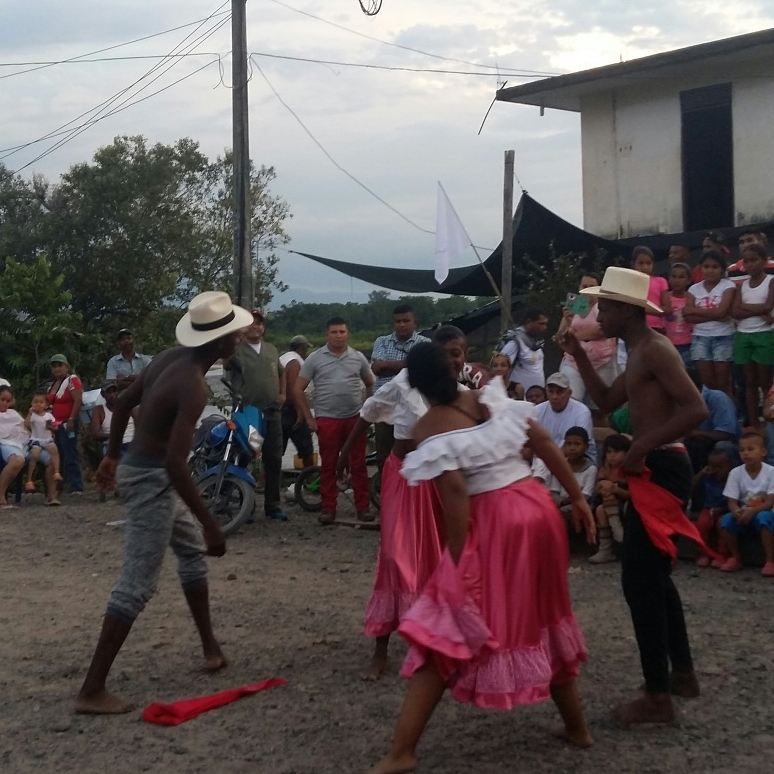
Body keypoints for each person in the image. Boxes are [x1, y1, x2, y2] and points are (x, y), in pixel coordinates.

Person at [368, 344, 595, 774]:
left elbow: (455, 493)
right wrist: (578, 497)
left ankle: (402, 752)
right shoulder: (488, 398)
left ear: (414, 384)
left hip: (496, 520)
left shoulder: (429, 426)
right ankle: (578, 729)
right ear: (453, 369)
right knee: (545, 615)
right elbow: (542, 440)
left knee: (443, 628)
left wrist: (457, 563)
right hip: (537, 509)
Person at [75, 291, 251, 715]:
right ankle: (91, 690)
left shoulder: (169, 358)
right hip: (153, 480)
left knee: (190, 554)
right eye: (235, 333)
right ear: (220, 341)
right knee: (137, 584)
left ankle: (210, 648)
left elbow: (122, 405)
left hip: (146, 471)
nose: (240, 337)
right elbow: (174, 463)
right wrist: (211, 523)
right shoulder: (192, 386)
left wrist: (113, 456)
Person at [559, 265, 709, 726]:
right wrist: (577, 354)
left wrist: (641, 447)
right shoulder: (640, 350)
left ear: (626, 310)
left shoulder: (656, 350)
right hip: (657, 465)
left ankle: (658, 695)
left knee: (640, 580)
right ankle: (680, 675)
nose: (598, 314)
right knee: (654, 577)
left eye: (604, 306)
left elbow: (696, 409)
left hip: (661, 465)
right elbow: (607, 400)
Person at [336, 353, 443, 681]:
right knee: (395, 557)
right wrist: (344, 453)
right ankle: (381, 649)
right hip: (402, 475)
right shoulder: (401, 384)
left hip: (434, 476)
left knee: (432, 557)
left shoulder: (451, 389)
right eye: (450, 354)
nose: (455, 361)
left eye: (458, 354)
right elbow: (368, 413)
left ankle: (426, 642)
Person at [295, 317, 374, 525]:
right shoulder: (315, 358)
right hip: (327, 419)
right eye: (334, 332)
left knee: (358, 465)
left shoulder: (358, 357)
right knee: (328, 465)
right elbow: (297, 389)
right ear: (326, 334)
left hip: (354, 419)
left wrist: (368, 412)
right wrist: (309, 417)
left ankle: (363, 508)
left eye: (342, 332)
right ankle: (328, 508)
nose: (338, 336)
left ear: (348, 334)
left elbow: (370, 383)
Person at [224, 308, 286, 521]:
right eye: (250, 323)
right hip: (249, 415)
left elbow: (282, 373)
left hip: (272, 412)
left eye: (259, 323)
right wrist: (234, 337)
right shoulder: (237, 350)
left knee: (274, 458)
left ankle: (273, 506)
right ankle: (245, 506)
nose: (255, 326)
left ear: (263, 327)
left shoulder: (271, 349)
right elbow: (225, 363)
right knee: (247, 455)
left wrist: (283, 394)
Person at [370, 305, 430, 468]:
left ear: (415, 323)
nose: (402, 324)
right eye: (398, 321)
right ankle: (385, 482)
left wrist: (387, 365)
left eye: (406, 320)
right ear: (393, 324)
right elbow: (377, 368)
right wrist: (410, 364)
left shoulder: (425, 343)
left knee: (414, 453)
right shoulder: (382, 341)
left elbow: (423, 370)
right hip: (384, 408)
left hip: (415, 409)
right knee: (384, 454)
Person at [557, 273, 618, 417]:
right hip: (574, 362)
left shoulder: (604, 306)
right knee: (572, 401)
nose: (588, 289)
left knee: (599, 407)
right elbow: (560, 335)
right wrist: (567, 320)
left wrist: (575, 336)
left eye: (592, 286)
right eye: (584, 286)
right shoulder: (576, 305)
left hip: (602, 363)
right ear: (579, 287)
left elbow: (602, 331)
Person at [718, 432, 774, 576]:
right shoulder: (735, 473)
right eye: (742, 450)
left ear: (763, 452)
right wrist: (736, 511)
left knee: (765, 518)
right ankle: (735, 557)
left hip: (763, 512)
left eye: (750, 449)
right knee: (726, 520)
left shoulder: (771, 472)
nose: (746, 453)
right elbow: (731, 501)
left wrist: (752, 511)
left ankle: (770, 560)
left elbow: (770, 502)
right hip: (743, 513)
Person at [732, 243, 774, 431]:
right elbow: (735, 312)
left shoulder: (771, 281)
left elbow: (769, 306)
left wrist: (745, 308)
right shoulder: (742, 285)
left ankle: (768, 422)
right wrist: (760, 310)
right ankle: (754, 423)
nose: (750, 264)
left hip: (764, 335)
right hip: (744, 335)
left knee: (765, 382)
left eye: (754, 260)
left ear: (764, 261)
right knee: (749, 383)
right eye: (746, 261)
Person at [684, 250, 737, 395]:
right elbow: (687, 316)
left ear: (722, 269)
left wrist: (696, 311)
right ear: (701, 268)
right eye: (706, 266)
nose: (710, 270)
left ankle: (728, 409)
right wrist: (717, 314)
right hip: (700, 338)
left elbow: (722, 312)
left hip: (724, 337)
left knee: (723, 382)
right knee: (707, 383)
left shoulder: (728, 286)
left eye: (715, 267)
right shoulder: (693, 289)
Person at [534, 427, 597, 523]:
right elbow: (554, 491)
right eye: (569, 444)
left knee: (561, 515)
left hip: (579, 505)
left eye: (577, 444)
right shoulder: (561, 465)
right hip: (560, 503)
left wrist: (566, 501)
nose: (572, 448)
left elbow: (585, 496)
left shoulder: (591, 469)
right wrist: (560, 502)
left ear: (586, 447)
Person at [589, 434, 632, 564]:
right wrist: (603, 487)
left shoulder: (629, 470)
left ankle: (617, 529)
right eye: (609, 452)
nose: (612, 456)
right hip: (606, 504)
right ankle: (606, 549)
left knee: (607, 498)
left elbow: (632, 494)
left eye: (616, 452)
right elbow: (597, 489)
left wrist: (616, 489)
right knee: (600, 510)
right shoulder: (605, 469)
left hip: (625, 503)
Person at [533, 372, 596, 461]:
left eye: (559, 392)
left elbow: (577, 447)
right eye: (551, 391)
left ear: (569, 393)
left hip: (577, 462)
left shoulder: (582, 411)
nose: (555, 396)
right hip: (544, 461)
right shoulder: (537, 410)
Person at [691, 444, 735, 568]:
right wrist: (701, 473)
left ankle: (722, 554)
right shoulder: (707, 477)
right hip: (708, 509)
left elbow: (733, 500)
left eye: (719, 467)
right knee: (702, 524)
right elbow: (691, 485)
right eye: (712, 466)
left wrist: (721, 509)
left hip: (726, 509)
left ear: (730, 466)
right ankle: (703, 553)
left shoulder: (733, 478)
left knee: (722, 525)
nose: (715, 470)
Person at [684, 371, 738, 473]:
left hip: (727, 443)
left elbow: (726, 434)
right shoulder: (681, 401)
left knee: (722, 446)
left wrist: (696, 433)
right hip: (697, 443)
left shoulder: (718, 398)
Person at [47, 354, 84, 494]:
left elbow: (78, 399)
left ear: (66, 366)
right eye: (54, 366)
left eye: (60, 365)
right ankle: (60, 485)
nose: (57, 368)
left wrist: (71, 419)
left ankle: (76, 485)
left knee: (70, 453)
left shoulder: (72, 380)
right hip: (55, 425)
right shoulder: (52, 385)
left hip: (67, 423)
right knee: (58, 455)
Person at [279, 335, 315, 469]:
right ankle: (309, 475)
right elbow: (293, 388)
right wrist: (300, 413)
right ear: (301, 348)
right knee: (306, 449)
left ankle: (266, 479)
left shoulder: (283, 358)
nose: (306, 352)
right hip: (291, 409)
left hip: (278, 409)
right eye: (306, 349)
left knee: (276, 449)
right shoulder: (295, 362)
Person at [498, 308, 548, 399]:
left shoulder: (535, 341)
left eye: (545, 324)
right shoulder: (515, 342)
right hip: (519, 399)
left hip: (537, 399)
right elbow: (499, 369)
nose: (544, 327)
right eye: (541, 324)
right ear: (529, 322)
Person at [24, 391, 63, 493]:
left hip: (47, 439)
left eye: (41, 402)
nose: (38, 404)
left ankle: (57, 472)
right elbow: (26, 425)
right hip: (36, 439)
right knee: (35, 454)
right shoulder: (33, 415)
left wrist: (52, 427)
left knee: (54, 450)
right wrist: (29, 413)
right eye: (35, 402)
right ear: (32, 404)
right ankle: (29, 480)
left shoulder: (49, 416)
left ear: (46, 405)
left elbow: (55, 427)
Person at [631, 246, 670, 332]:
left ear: (653, 264)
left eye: (648, 263)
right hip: (634, 327)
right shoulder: (629, 282)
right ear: (633, 264)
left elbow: (668, 309)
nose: (645, 267)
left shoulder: (661, 281)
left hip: (656, 329)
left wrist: (643, 309)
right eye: (641, 263)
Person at [90, 381, 136, 455]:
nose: (112, 395)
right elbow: (95, 434)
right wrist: (113, 434)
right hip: (115, 446)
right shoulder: (99, 410)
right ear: (103, 394)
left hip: (133, 443)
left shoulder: (127, 406)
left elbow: (140, 425)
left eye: (114, 391)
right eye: (109, 392)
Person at [0, 385, 26, 509]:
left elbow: (25, 428)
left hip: (17, 444)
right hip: (4, 444)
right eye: (2, 400)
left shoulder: (13, 414)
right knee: (18, 460)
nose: (5, 403)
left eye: (8, 401)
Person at [665, 263, 694, 369]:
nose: (677, 280)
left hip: (687, 344)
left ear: (688, 280)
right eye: (674, 276)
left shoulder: (691, 297)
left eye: (681, 277)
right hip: (668, 343)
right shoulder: (665, 297)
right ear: (669, 279)